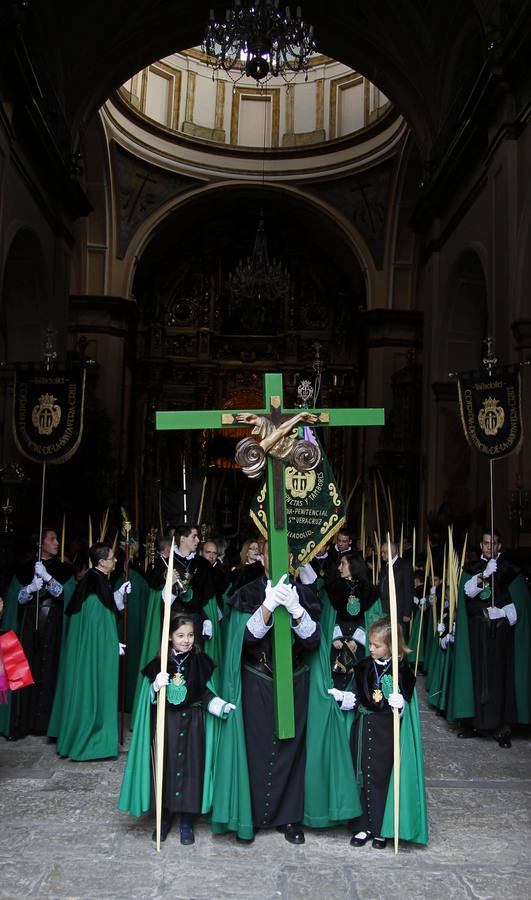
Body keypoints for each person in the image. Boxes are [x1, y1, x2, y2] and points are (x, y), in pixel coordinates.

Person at [211, 542, 321, 844]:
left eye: (285, 553)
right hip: (257, 679)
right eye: (270, 552)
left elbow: (312, 642)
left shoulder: (307, 594)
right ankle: (255, 815)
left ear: (292, 558)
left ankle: (288, 818)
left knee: (291, 749)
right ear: (263, 557)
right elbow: (244, 639)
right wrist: (268, 606)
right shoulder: (247, 592)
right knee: (256, 747)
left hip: (295, 681)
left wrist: (297, 609)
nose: (278, 558)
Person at [118, 612, 235, 844]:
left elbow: (205, 694)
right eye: (180, 635)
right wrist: (154, 687)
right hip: (167, 724)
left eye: (190, 635)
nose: (186, 640)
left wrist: (221, 706)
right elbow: (146, 702)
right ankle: (163, 816)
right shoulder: (158, 664)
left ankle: (186, 820)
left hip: (193, 725)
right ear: (170, 637)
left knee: (192, 769)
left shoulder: (201, 662)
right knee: (166, 768)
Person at [329, 617, 428, 849]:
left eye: (376, 645)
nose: (371, 648)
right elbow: (355, 695)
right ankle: (363, 826)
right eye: (370, 644)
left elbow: (409, 709)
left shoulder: (403, 670)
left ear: (391, 646)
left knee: (382, 778)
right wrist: (341, 696)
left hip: (387, 732)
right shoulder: (363, 665)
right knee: (361, 775)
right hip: (363, 727)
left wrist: (401, 704)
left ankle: (382, 829)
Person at [448, 528, 531, 747]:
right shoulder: (473, 569)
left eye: (493, 543)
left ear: (499, 546)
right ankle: (477, 723)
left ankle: (501, 727)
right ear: (481, 545)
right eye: (485, 543)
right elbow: (466, 594)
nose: (489, 547)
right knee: (478, 676)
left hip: (501, 634)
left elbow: (521, 604)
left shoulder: (511, 570)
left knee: (499, 678)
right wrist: (484, 575)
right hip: (477, 633)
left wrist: (503, 612)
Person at [47, 542, 131, 760]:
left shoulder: (96, 580)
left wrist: (118, 597)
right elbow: (96, 621)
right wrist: (111, 642)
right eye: (112, 558)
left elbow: (104, 613)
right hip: (94, 651)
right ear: (102, 562)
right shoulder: (95, 583)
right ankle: (94, 739)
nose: (115, 561)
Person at [6, 528, 74, 737]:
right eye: (52, 539)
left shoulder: (63, 569)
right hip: (29, 625)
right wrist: (30, 589)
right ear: (40, 544)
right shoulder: (25, 569)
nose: (57, 543)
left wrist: (48, 579)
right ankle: (23, 721)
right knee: (28, 669)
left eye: (57, 539)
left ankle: (46, 723)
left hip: (53, 625)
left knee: (49, 670)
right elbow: (17, 600)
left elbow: (66, 596)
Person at [378, 541, 414, 626]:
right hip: (385, 609)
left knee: (398, 636)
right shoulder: (385, 566)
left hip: (398, 609)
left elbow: (408, 589)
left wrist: (407, 612)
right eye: (381, 552)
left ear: (393, 551)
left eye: (384, 552)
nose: (382, 555)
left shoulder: (405, 565)